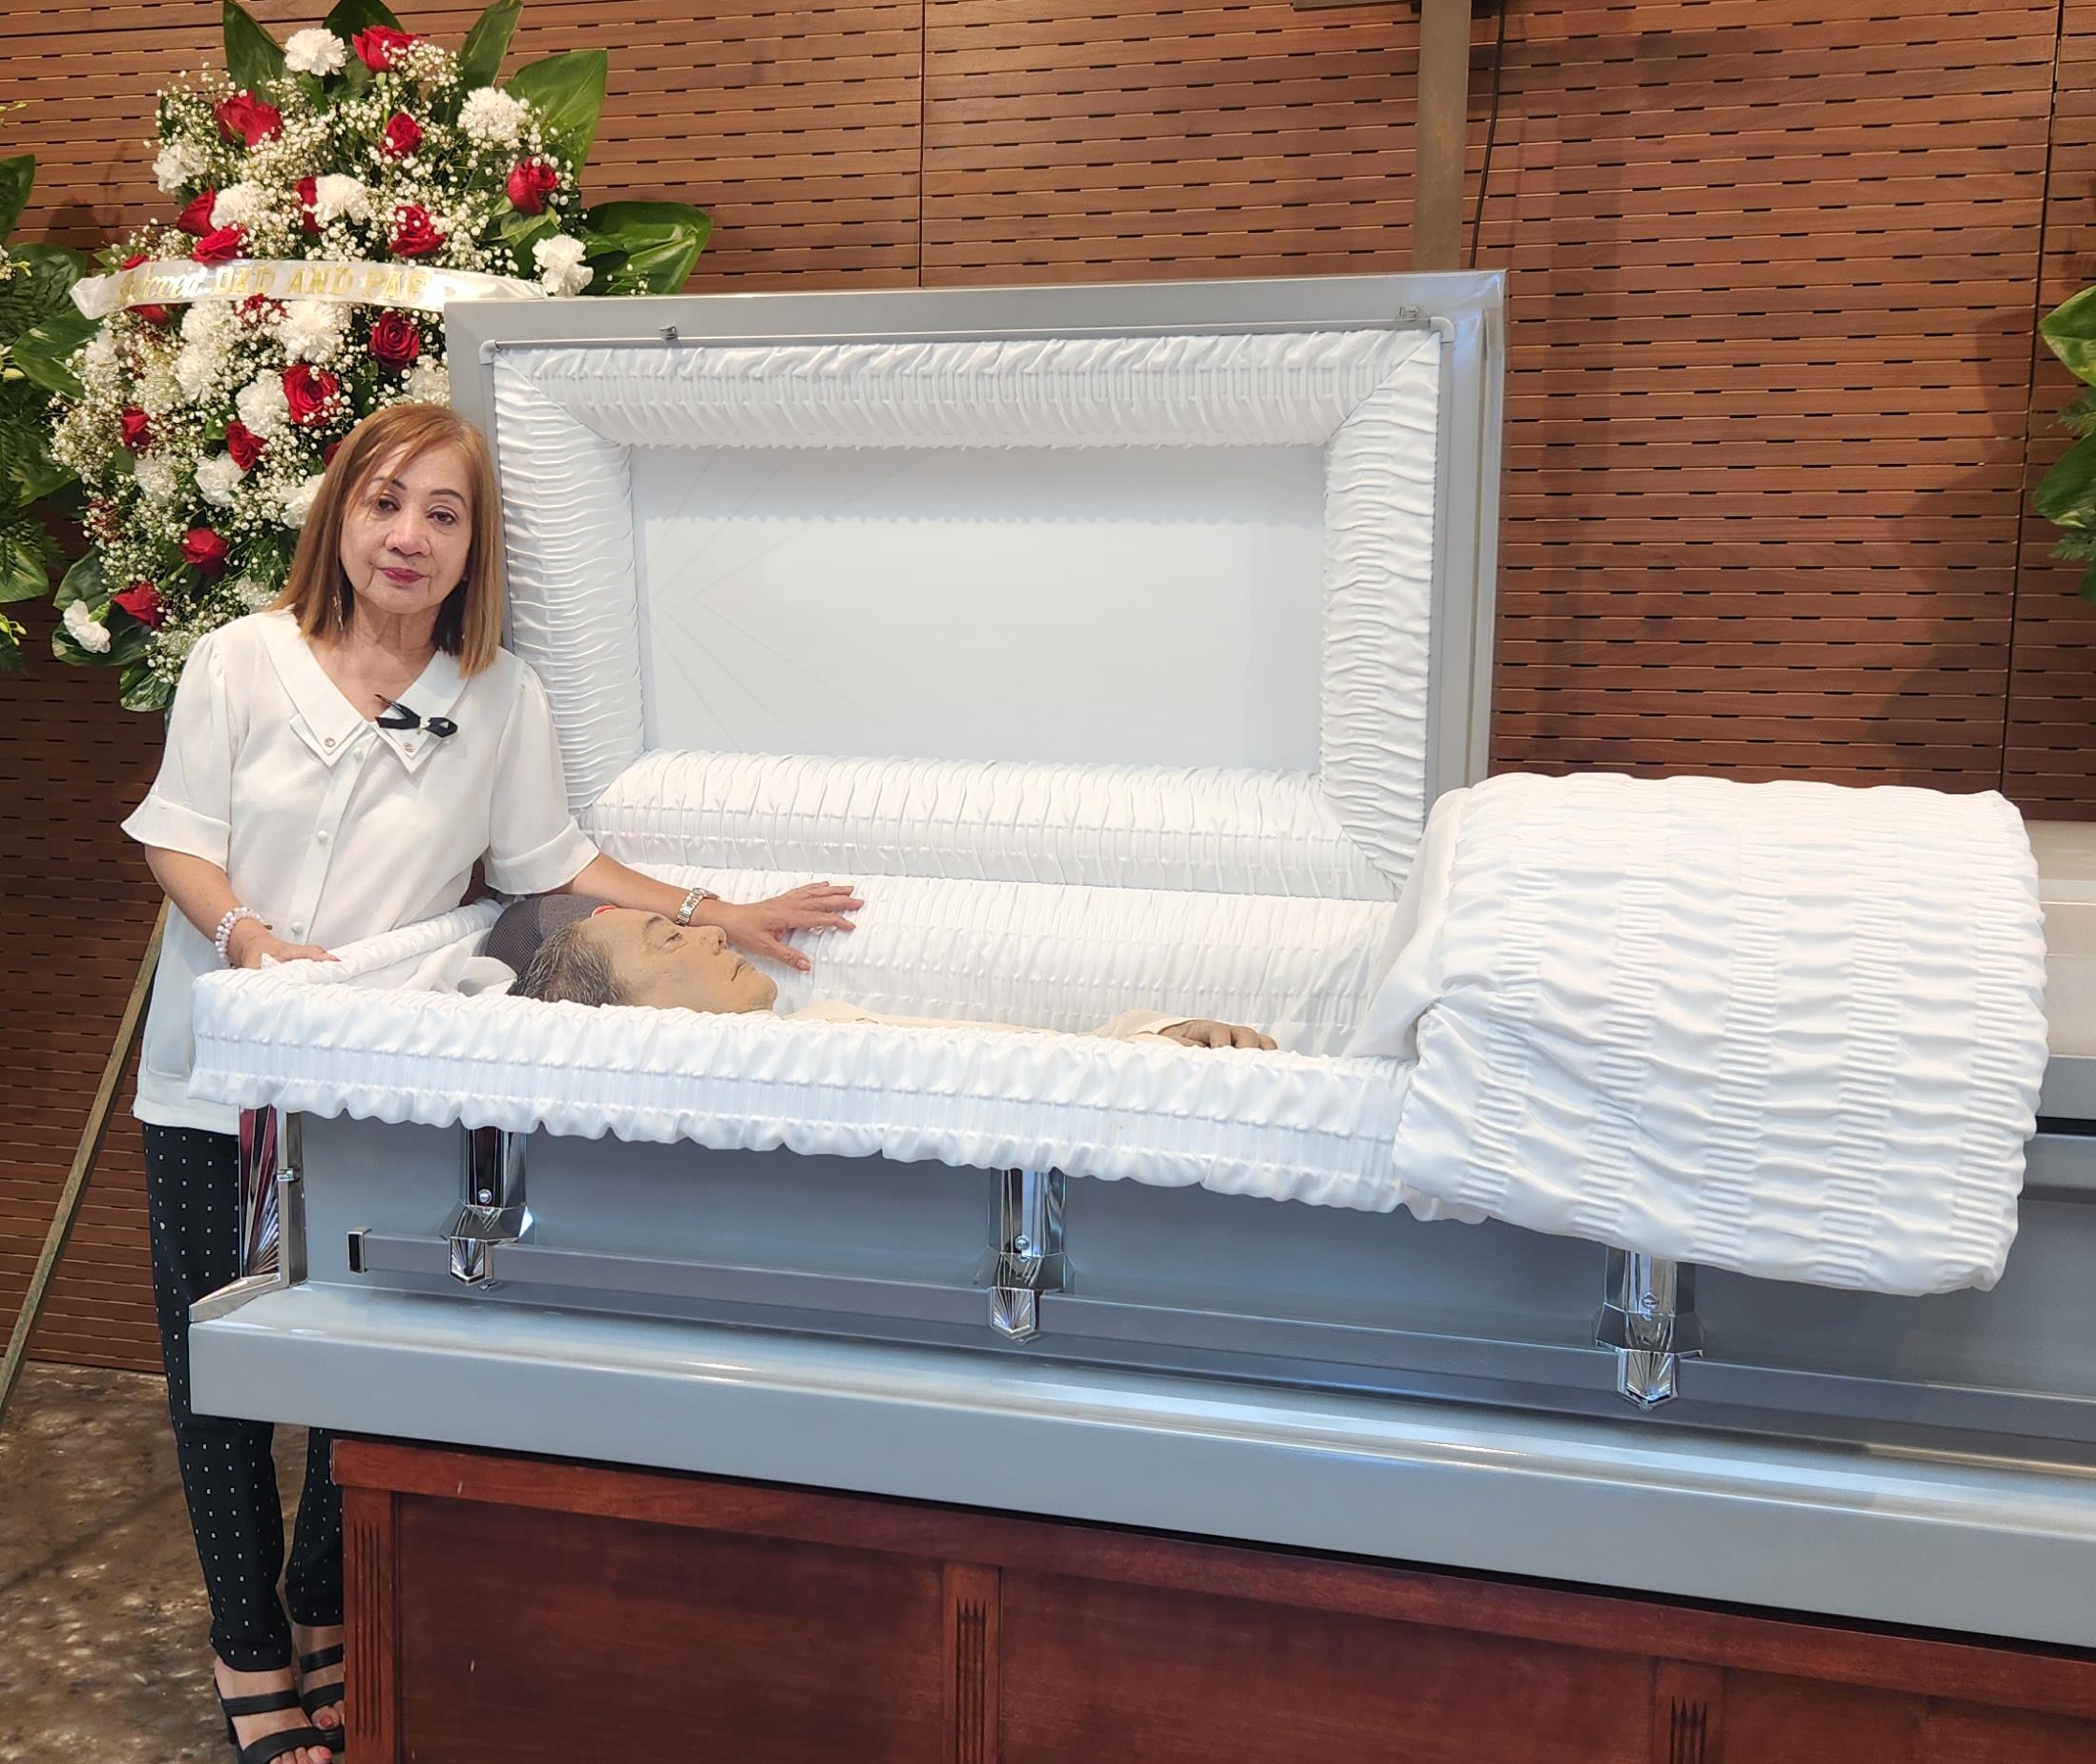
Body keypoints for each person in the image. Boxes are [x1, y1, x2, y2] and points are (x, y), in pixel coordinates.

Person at [121, 404, 858, 1764]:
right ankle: (247, 1646)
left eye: (442, 513)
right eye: (385, 500)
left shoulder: (498, 695)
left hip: (376, 1092)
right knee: (214, 1367)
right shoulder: (239, 661)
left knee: (362, 1359)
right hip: (213, 1073)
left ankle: (324, 1606)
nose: (407, 534)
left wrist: (721, 911)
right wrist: (248, 939)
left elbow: (550, 864)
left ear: (474, 548)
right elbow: (178, 840)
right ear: (339, 515)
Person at [490, 893, 1280, 1049]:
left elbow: (1030, 1060)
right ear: (625, 1024)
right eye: (670, 940)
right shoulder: (818, 1053)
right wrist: (1153, 1048)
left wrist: (1161, 1035)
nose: (715, 936)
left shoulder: (820, 1032)